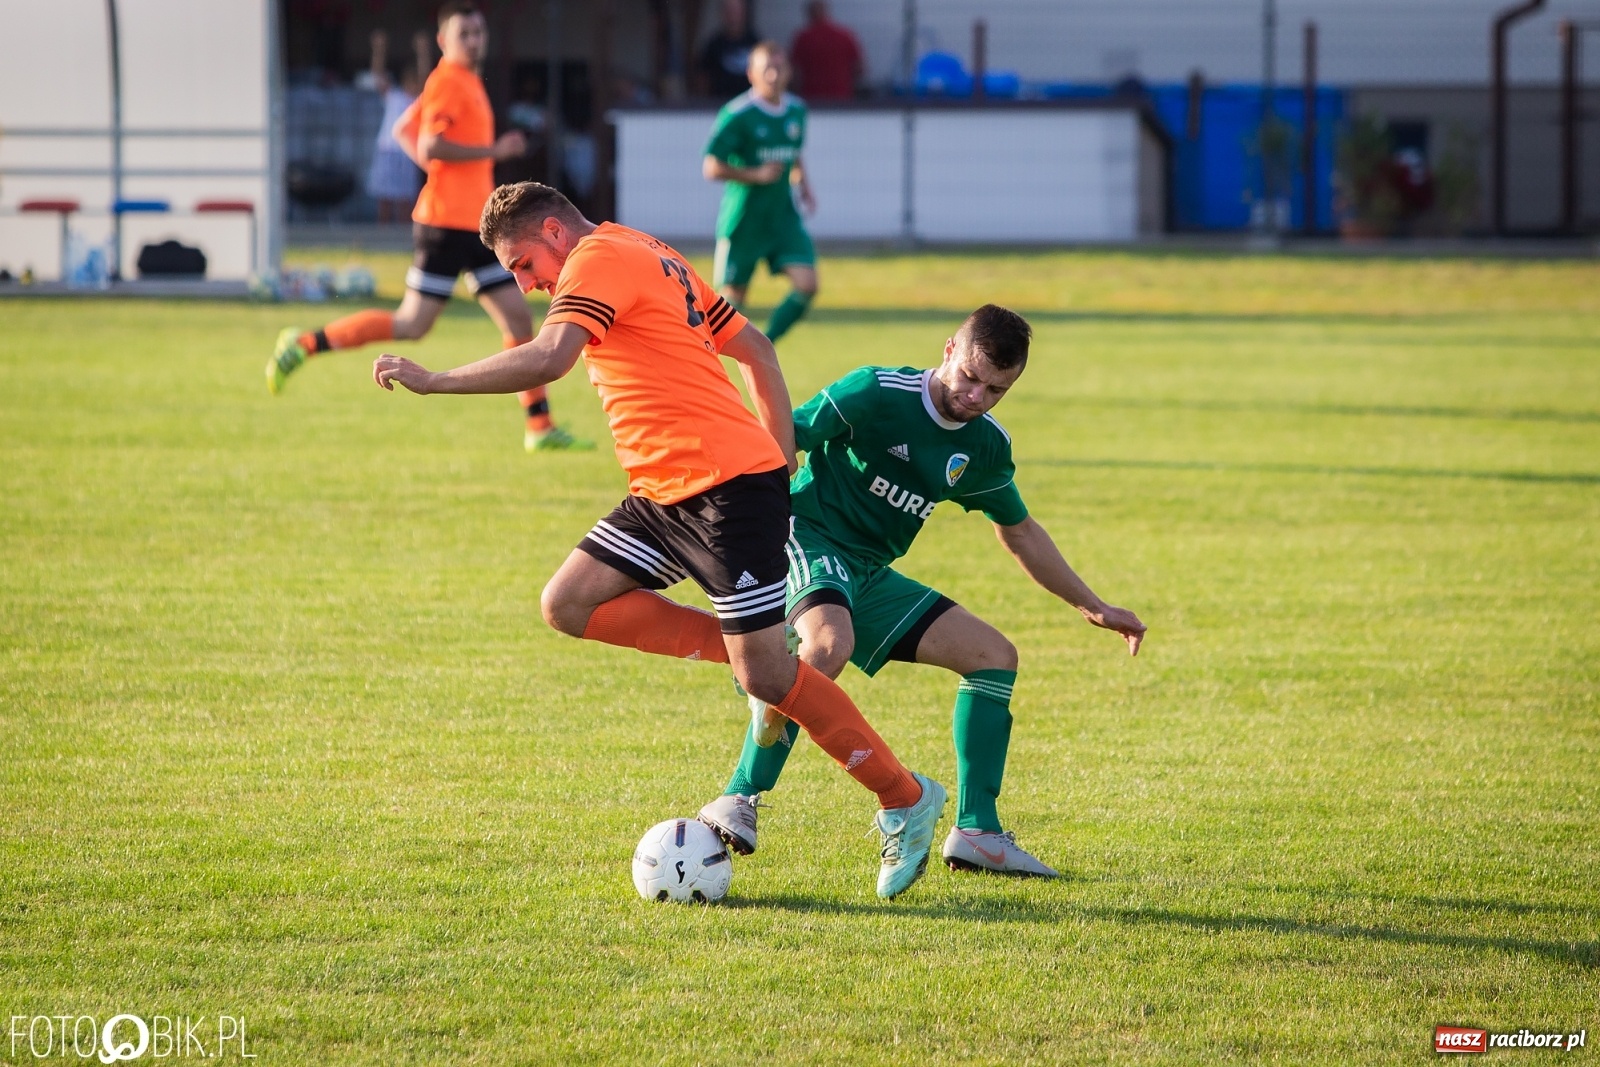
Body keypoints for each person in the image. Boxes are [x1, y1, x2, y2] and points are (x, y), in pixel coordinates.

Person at [371, 181, 949, 899]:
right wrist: (780, 447)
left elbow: (551, 356)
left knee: (771, 678)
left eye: (522, 264)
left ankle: (904, 796)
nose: (525, 282)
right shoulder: (649, 249)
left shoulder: (596, 260)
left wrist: (434, 380)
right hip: (665, 493)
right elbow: (757, 348)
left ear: (553, 231)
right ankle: (744, 649)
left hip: (727, 491)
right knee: (569, 603)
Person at [697, 305, 1147, 877]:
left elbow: (1020, 531)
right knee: (827, 645)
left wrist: (1095, 606)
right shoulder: (875, 392)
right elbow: (781, 435)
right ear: (948, 351)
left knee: (993, 657)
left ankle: (978, 832)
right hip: (804, 536)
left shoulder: (984, 447)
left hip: (868, 572)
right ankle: (739, 798)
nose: (977, 397)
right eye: (970, 378)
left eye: (996, 390)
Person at [268, 2, 590, 453]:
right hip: (445, 224)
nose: (474, 41)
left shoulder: (460, 80)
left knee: (518, 317)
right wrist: (493, 150)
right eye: (465, 34)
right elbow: (431, 143)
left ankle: (539, 427)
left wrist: (455, 160)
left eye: (479, 33)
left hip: (479, 225)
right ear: (444, 40)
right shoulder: (449, 82)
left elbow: (405, 129)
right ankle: (305, 341)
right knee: (411, 324)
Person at [702, 42, 817, 346]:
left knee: (807, 284)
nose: (774, 74)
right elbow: (711, 167)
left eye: (780, 67)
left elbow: (793, 154)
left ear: (789, 72)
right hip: (745, 220)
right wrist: (756, 174)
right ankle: (700, 356)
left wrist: (804, 184)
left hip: (782, 217)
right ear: (751, 73)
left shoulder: (796, 110)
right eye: (767, 68)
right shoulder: (738, 114)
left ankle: (767, 343)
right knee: (730, 303)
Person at [362, 29, 429, 224]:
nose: (413, 84)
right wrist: (378, 49)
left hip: (406, 151)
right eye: (410, 81)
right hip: (387, 149)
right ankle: (383, 233)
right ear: (403, 82)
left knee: (405, 198)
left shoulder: (418, 100)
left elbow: (425, 76)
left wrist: (423, 51)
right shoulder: (394, 96)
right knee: (384, 196)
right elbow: (377, 75)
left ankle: (403, 234)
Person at [789, 1, 862, 102]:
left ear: (809, 13)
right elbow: (860, 69)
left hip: (812, 98)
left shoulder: (803, 38)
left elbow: (793, 72)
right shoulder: (844, 35)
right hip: (842, 96)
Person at [696, 0, 759, 101]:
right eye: (729, 10)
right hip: (717, 105)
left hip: (749, 105)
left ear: (744, 13)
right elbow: (703, 79)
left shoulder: (756, 44)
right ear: (722, 13)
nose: (733, 15)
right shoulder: (713, 45)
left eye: (736, 11)